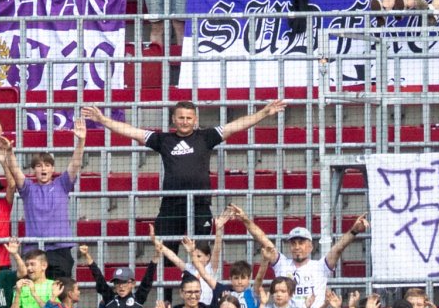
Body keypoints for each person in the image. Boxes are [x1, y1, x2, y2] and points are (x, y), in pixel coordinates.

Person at [81, 99, 288, 248]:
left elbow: (236, 126)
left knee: (202, 253)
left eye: (189, 118)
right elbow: (132, 132)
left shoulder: (206, 137)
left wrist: (263, 113)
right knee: (166, 255)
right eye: (181, 117)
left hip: (200, 205)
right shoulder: (163, 140)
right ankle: (167, 295)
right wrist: (103, 120)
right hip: (171, 206)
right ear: (174, 119)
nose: (185, 121)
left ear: (195, 119)